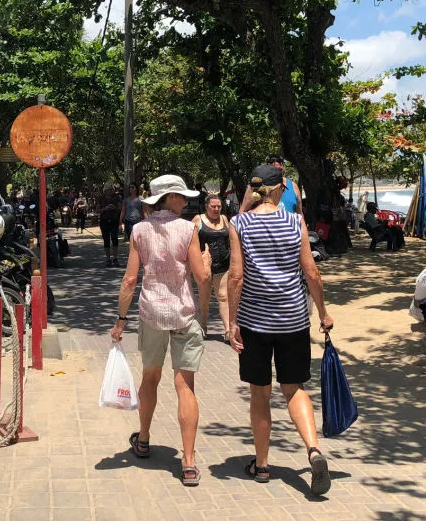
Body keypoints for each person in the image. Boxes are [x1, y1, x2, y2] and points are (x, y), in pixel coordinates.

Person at [227, 164, 335, 496]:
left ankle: (261, 466)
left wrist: (231, 322)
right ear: (280, 189)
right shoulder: (296, 222)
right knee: (294, 388)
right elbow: (311, 272)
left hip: (255, 322)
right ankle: (314, 450)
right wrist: (323, 311)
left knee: (260, 393)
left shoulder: (238, 224)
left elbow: (236, 276)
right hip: (293, 321)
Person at [110, 174, 211, 487]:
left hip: (151, 313)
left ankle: (143, 439)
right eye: (180, 196)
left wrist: (120, 320)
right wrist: (205, 262)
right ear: (170, 198)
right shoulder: (188, 229)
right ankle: (190, 462)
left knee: (150, 377)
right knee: (185, 386)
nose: (184, 201)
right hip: (183, 314)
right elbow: (202, 277)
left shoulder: (139, 231)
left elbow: (129, 280)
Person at [194, 193, 232, 341]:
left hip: (223, 264)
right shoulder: (198, 219)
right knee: (205, 298)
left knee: (223, 296)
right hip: (205, 266)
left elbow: (230, 239)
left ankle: (228, 330)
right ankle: (203, 325)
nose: (216, 209)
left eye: (219, 206)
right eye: (213, 206)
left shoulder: (224, 219)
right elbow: (190, 241)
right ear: (206, 207)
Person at [99, 183, 121, 267]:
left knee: (115, 238)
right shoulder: (101, 198)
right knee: (106, 239)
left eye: (111, 189)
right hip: (104, 220)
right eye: (108, 189)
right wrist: (105, 209)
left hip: (114, 220)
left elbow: (120, 208)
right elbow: (97, 210)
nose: (110, 191)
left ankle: (115, 258)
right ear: (105, 190)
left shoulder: (116, 197)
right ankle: (108, 259)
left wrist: (114, 207)